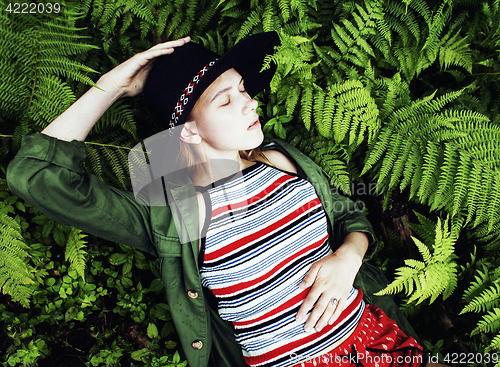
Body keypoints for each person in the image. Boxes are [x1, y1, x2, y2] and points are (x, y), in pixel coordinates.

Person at [7, 31, 445, 367]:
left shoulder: (278, 158)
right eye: (225, 100)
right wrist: (111, 88)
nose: (249, 104)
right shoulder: (171, 212)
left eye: (244, 90)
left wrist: (348, 256)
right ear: (190, 130)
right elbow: (36, 177)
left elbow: (350, 215)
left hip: (377, 337)